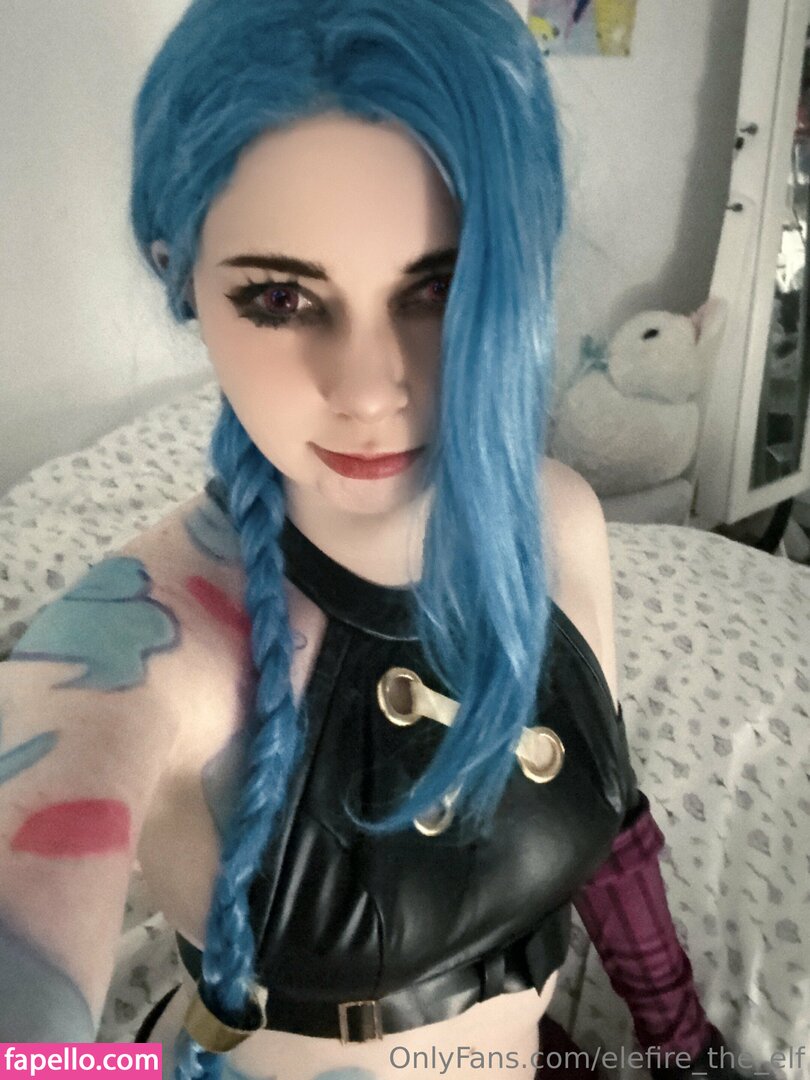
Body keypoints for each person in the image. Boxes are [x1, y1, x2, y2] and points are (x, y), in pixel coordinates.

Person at [0, 1, 759, 1078]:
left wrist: (685, 1046)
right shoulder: (137, 656)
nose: (368, 391)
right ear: (182, 278)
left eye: (438, 287)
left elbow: (612, 834)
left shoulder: (557, 520)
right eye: (280, 296)